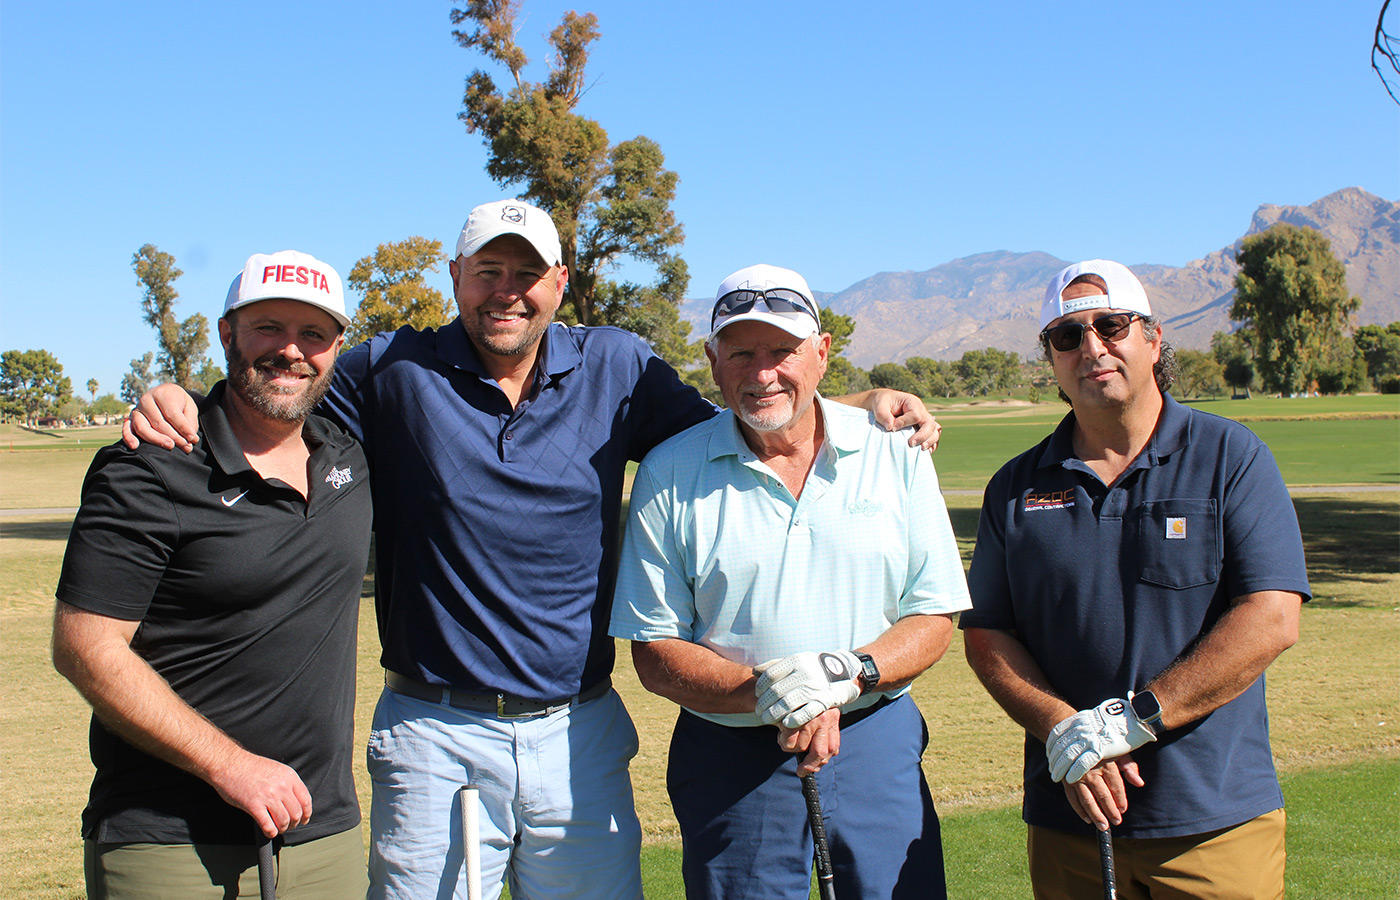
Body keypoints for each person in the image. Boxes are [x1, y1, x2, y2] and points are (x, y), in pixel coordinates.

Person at [125, 201, 940, 900]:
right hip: (434, 729)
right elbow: (274, 389)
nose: (506, 292)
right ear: (456, 277)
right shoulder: (392, 370)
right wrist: (175, 396)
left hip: (577, 731)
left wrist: (865, 405)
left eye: (526, 273)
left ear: (558, 282)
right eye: (488, 272)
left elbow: (748, 403)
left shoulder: (616, 366)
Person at [609, 264, 971, 900]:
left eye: (782, 350)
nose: (763, 371)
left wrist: (845, 674)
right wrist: (776, 694)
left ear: (822, 353)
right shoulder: (670, 471)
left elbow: (936, 613)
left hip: (873, 736)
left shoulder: (895, 450)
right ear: (712, 360)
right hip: (731, 754)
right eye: (742, 352)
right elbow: (655, 652)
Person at [960, 259, 1310, 900]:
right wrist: (1063, 728)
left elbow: (1272, 616)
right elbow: (987, 633)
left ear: (1152, 338)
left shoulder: (1231, 456)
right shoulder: (1016, 485)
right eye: (1067, 336)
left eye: (1111, 325)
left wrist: (1134, 720)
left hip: (1214, 822)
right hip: (1070, 821)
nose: (1091, 347)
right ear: (1053, 359)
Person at [53, 250, 372, 899]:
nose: (291, 351)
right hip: (171, 846)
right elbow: (84, 647)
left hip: (325, 837)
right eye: (267, 328)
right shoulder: (152, 467)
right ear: (226, 333)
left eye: (312, 334)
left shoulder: (349, 457)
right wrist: (229, 766)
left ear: (338, 348)